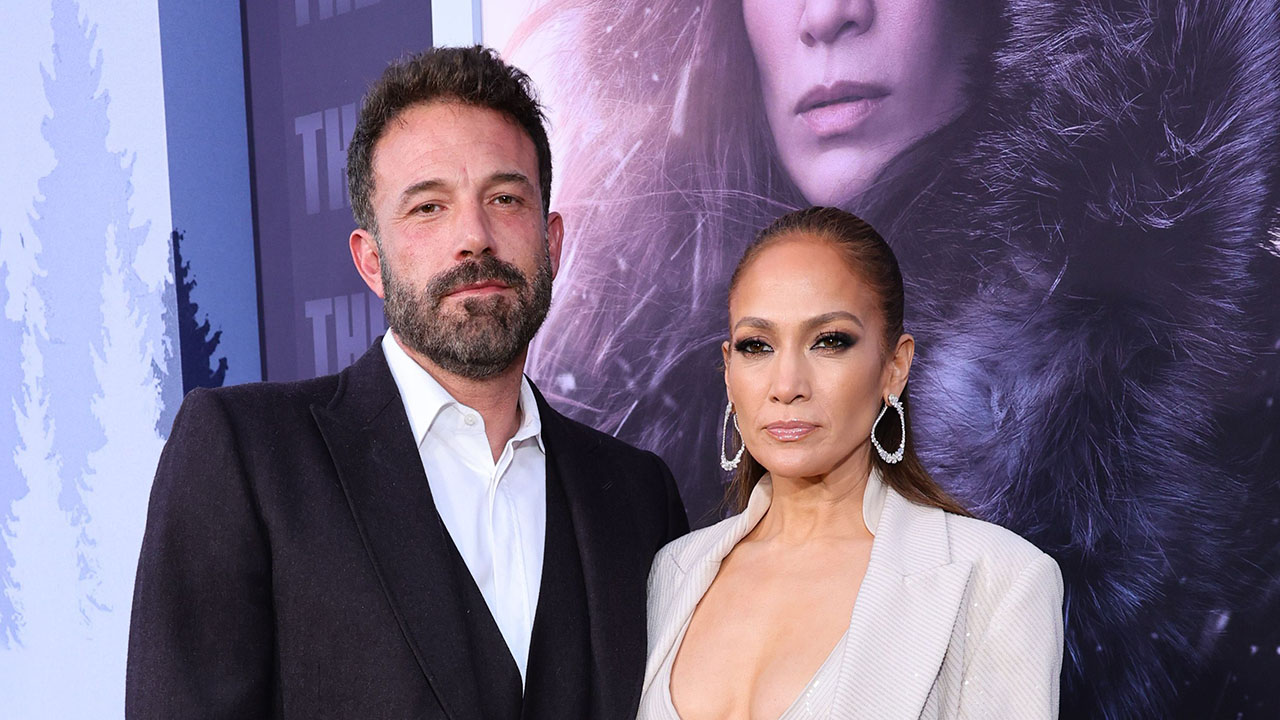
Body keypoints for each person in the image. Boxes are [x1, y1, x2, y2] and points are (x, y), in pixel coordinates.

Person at [512, 1, 1280, 716]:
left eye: (835, 341)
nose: (827, 15)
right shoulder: (668, 557)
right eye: (754, 345)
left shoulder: (1058, 542)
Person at [125, 46, 688, 719]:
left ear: (553, 241)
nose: (474, 238)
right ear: (371, 261)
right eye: (428, 208)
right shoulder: (247, 457)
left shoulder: (637, 494)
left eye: (505, 198)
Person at [637, 207, 1064, 719]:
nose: (787, 385)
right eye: (757, 346)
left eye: (830, 341)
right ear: (728, 371)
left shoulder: (998, 579)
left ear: (894, 366)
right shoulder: (672, 573)